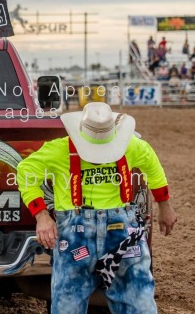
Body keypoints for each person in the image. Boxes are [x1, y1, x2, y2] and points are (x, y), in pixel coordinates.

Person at [17, 102, 177, 314]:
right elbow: (25, 171)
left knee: (139, 304)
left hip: (110, 234)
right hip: (88, 234)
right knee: (68, 305)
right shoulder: (59, 149)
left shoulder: (131, 146)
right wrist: (42, 216)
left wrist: (165, 206)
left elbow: (153, 168)